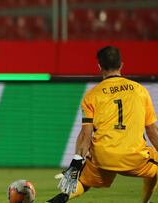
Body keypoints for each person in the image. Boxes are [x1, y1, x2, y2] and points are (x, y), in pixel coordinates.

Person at [46, 46, 158, 203]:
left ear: (99, 67)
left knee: (84, 182)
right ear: (121, 65)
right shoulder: (141, 91)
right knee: (156, 169)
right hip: (133, 157)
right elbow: (152, 130)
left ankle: (60, 199)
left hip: (103, 158)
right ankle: (144, 202)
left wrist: (76, 163)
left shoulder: (91, 96)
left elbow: (86, 134)